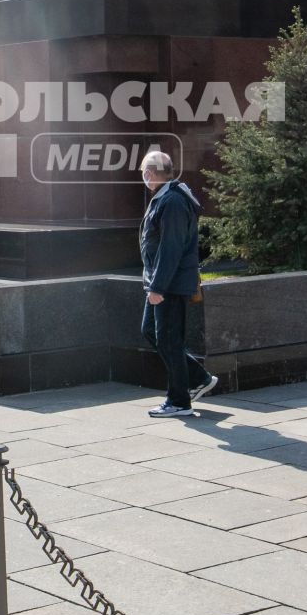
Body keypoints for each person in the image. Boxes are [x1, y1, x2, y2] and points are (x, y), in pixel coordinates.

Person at [139, 149, 216, 419]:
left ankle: (179, 400)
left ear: (149, 174)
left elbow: (170, 249)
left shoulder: (171, 201)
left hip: (168, 285)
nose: (143, 178)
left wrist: (158, 288)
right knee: (151, 331)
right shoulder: (167, 197)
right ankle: (198, 377)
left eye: (143, 173)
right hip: (162, 283)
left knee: (169, 340)